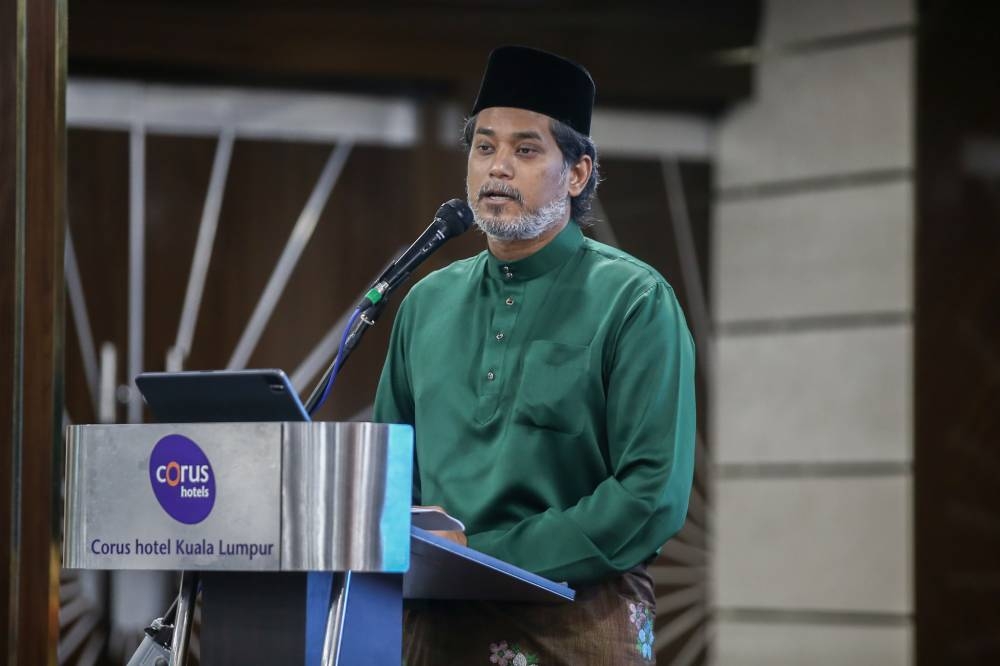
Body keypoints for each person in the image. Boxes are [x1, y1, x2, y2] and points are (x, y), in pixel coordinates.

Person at [374, 45, 696, 665]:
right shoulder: (425, 303)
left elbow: (650, 493)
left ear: (576, 175)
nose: (497, 169)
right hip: (437, 626)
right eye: (484, 147)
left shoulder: (633, 300)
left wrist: (490, 558)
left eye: (525, 150)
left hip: (575, 621)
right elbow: (392, 469)